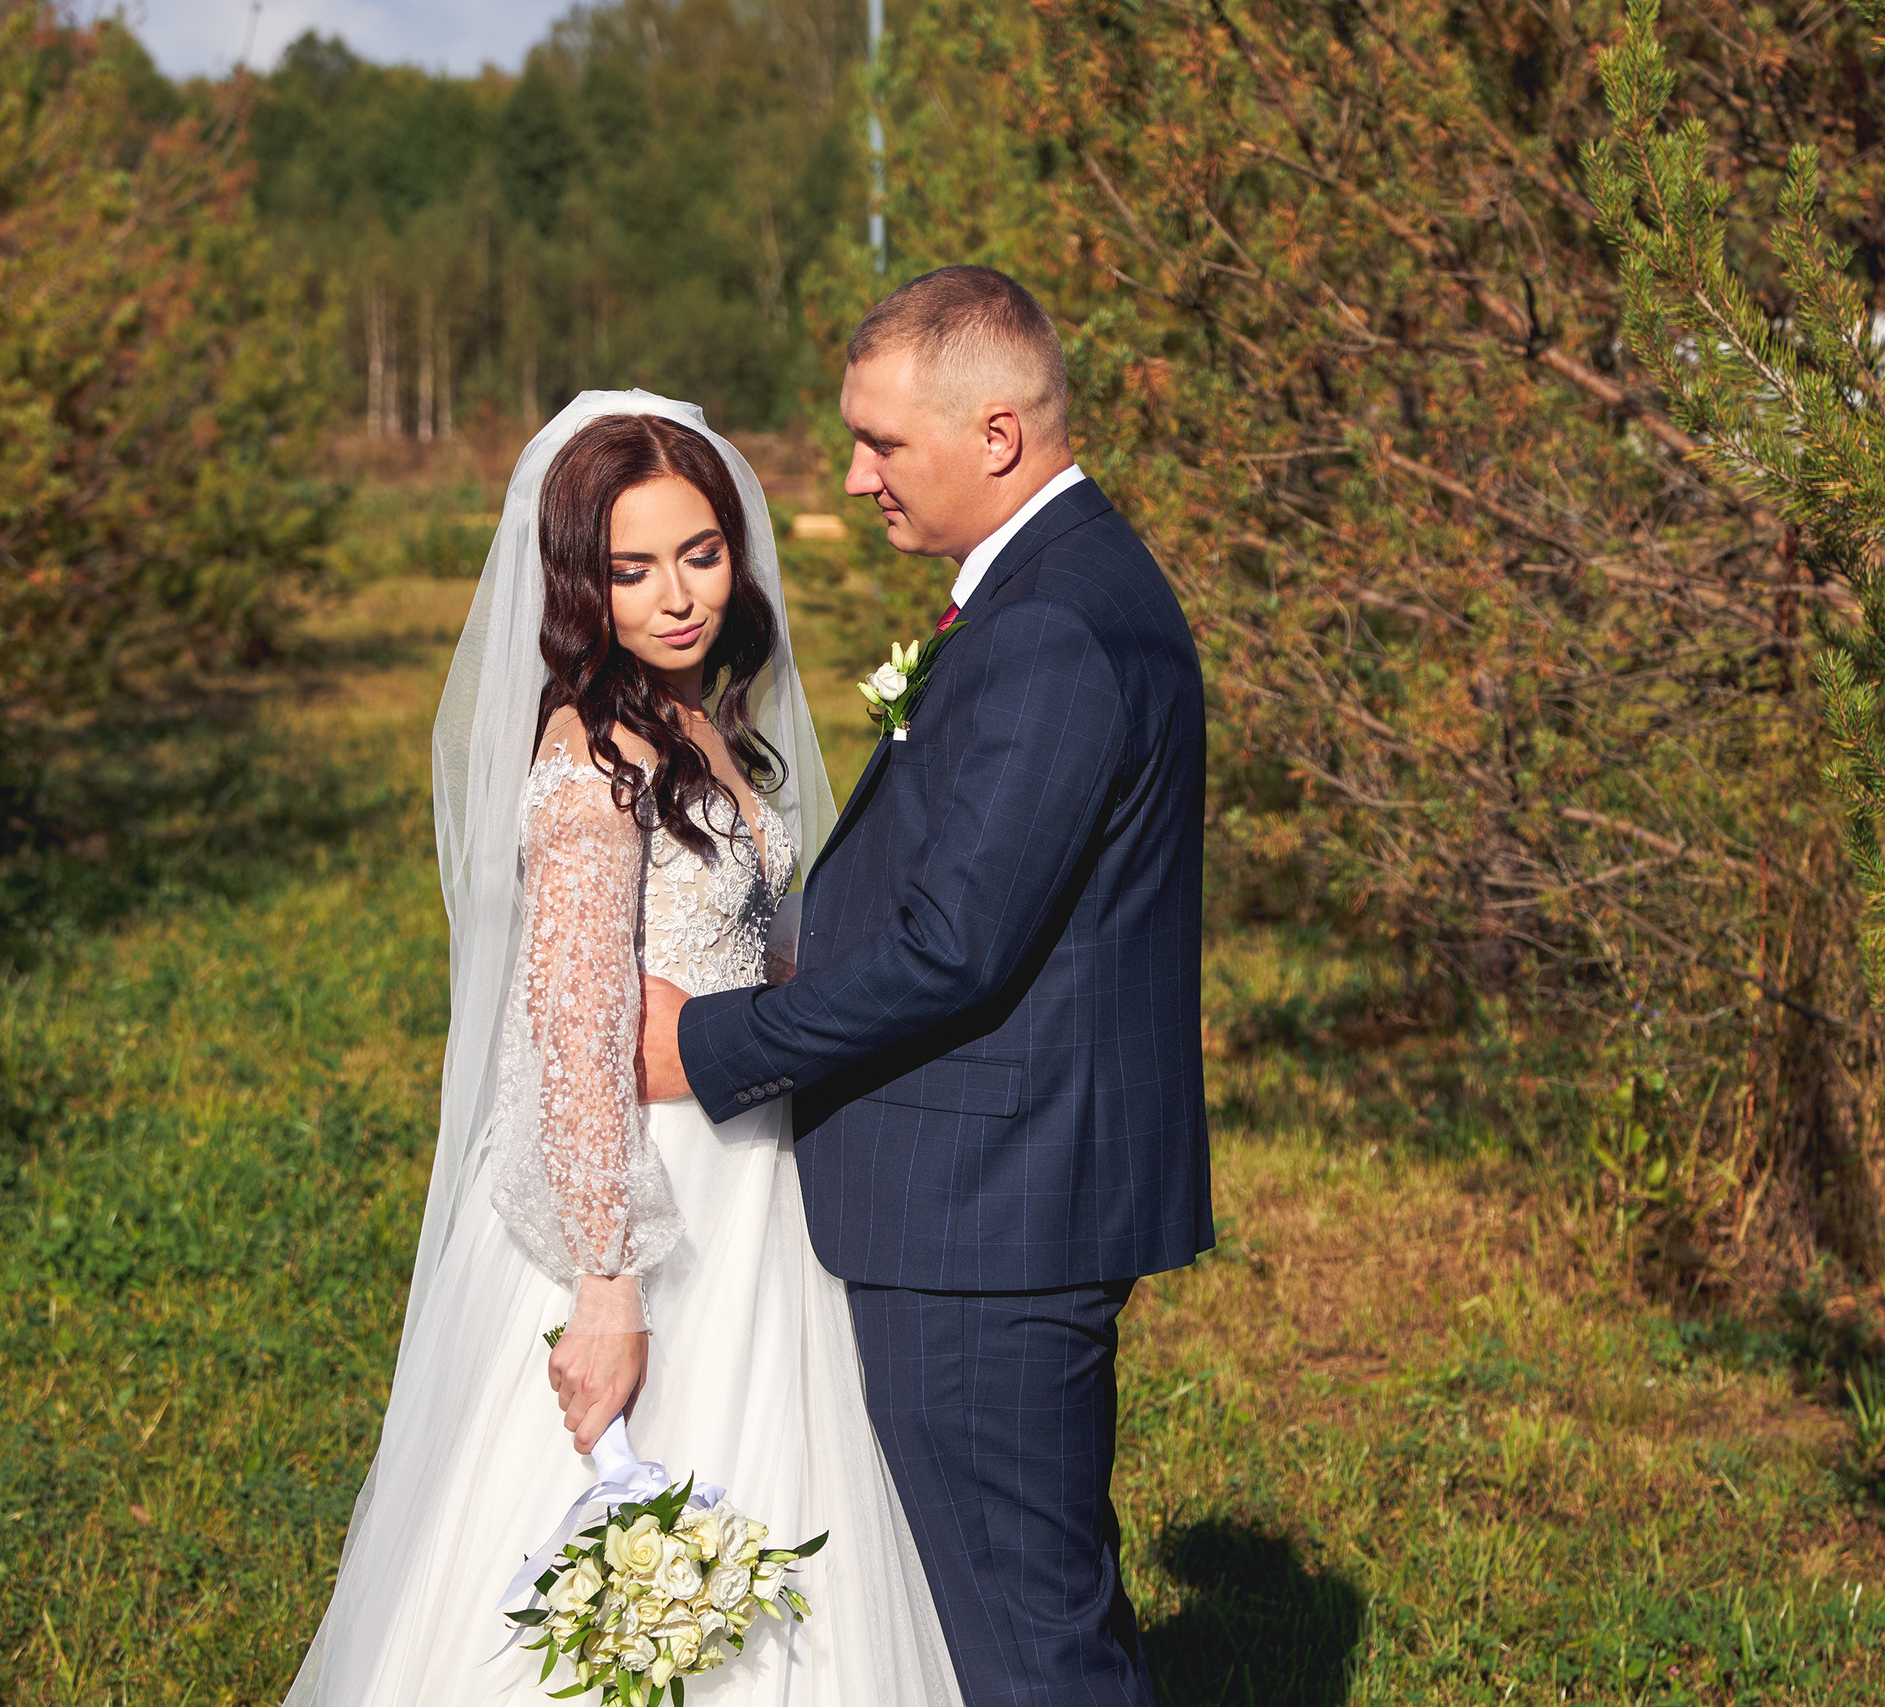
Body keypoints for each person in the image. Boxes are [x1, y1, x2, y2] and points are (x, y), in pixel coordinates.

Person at [286, 394, 962, 1707]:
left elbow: (758, 954)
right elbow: (573, 1032)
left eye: (699, 554)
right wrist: (607, 1287)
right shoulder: (593, 760)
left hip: (755, 1169)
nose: (676, 597)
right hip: (648, 1192)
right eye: (632, 568)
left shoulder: (701, 719)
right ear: (580, 583)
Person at [641, 267, 1213, 1707]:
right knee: (1032, 1598)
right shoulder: (1059, 587)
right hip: (1014, 1189)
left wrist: (709, 1043)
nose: (854, 475)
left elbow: (957, 950)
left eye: (884, 443)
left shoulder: (1051, 630)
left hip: (990, 1217)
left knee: (1024, 1643)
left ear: (1000, 434)